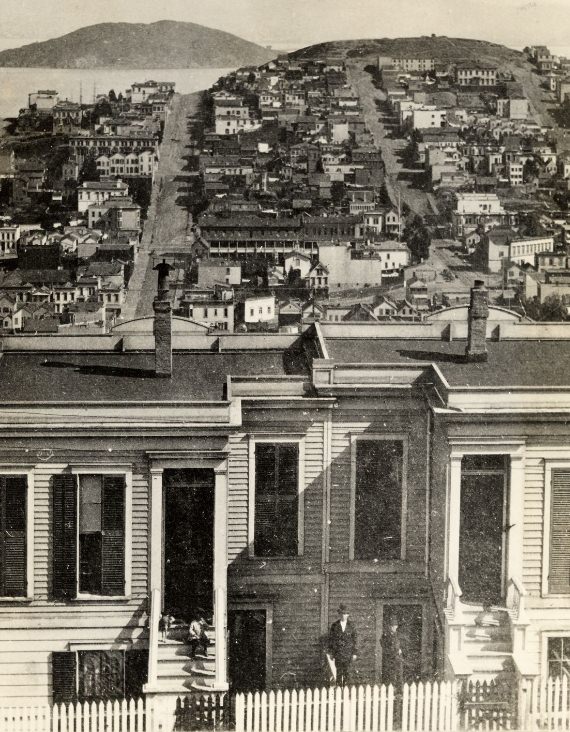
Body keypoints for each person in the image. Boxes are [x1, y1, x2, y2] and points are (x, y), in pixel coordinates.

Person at [328, 604, 357, 686]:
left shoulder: (351, 626)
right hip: (338, 653)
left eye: (345, 614)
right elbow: (331, 640)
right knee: (339, 673)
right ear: (339, 614)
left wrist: (354, 653)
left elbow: (355, 640)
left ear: (348, 615)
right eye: (342, 613)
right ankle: (339, 691)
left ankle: (346, 692)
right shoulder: (335, 625)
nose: (344, 616)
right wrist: (331, 652)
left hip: (348, 653)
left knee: (347, 673)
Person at [381, 618, 404, 689]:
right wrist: (392, 652)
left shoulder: (397, 635)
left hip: (398, 657)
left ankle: (399, 689)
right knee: (391, 674)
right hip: (390, 658)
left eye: (395, 626)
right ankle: (392, 688)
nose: (394, 628)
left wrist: (400, 650)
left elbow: (401, 644)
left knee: (399, 673)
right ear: (390, 627)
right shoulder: (385, 636)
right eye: (393, 626)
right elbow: (384, 646)